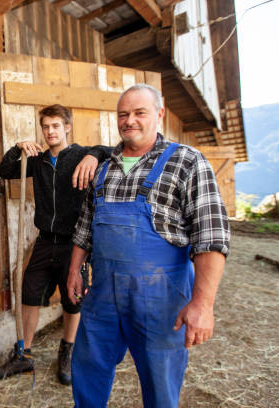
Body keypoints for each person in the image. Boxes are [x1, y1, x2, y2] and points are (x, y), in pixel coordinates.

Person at [67, 83, 230, 407]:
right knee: (87, 367)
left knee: (160, 380)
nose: (130, 120)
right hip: (103, 295)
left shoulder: (187, 162)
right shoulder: (103, 169)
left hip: (161, 298)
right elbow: (85, 227)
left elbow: (211, 236)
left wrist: (203, 304)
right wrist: (74, 269)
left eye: (139, 112)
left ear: (159, 113)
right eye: (123, 114)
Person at [0, 104, 112, 385]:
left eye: (56, 126)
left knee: (73, 298)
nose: (50, 131)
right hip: (45, 240)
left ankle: (67, 352)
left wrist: (93, 155)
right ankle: (24, 353)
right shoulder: (38, 160)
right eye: (46, 127)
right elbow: (4, 169)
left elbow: (112, 152)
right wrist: (17, 147)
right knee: (30, 292)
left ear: (67, 127)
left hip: (75, 242)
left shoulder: (81, 154)